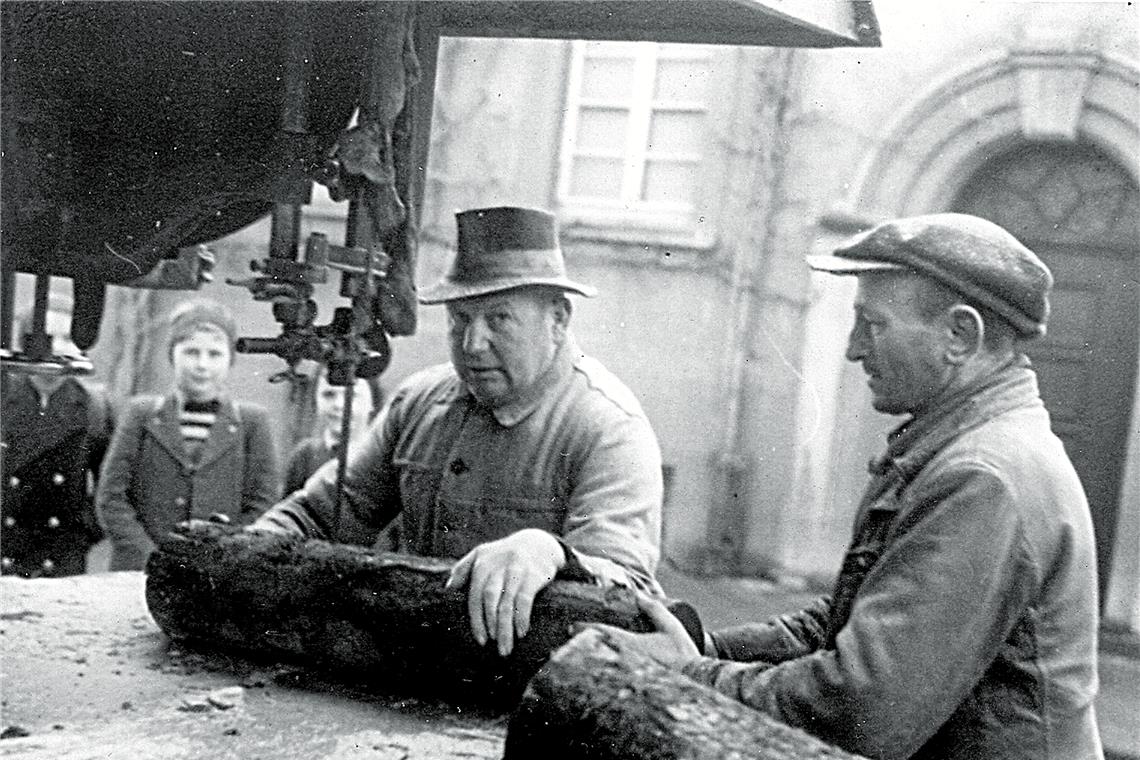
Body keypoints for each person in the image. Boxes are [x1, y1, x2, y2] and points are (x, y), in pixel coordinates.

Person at [590, 214, 1103, 760]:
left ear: (960, 335)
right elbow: (848, 616)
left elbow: (864, 707)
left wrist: (692, 673)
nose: (854, 350)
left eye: (872, 324)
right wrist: (709, 648)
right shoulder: (958, 447)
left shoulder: (980, 478)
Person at [252, 205, 664, 657]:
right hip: (410, 669)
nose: (473, 345)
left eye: (499, 319)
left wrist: (549, 552)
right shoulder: (420, 403)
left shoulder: (608, 428)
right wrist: (247, 555)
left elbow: (627, 595)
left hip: (532, 692)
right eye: (460, 320)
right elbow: (316, 515)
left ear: (559, 318)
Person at [96, 298, 280, 571]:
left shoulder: (252, 423)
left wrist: (223, 557)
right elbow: (111, 497)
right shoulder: (141, 414)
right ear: (172, 354)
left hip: (217, 574)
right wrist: (151, 558)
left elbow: (263, 504)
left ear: (231, 359)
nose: (202, 365)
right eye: (191, 352)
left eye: (214, 354)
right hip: (140, 570)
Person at [1, 301, 115, 577]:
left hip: (61, 552)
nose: (59, 348)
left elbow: (109, 487)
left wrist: (82, 533)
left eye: (68, 338)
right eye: (49, 337)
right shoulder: (4, 397)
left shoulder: (94, 408)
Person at [283, 369, 382, 495]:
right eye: (328, 394)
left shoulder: (382, 457)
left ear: (371, 402)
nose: (339, 404)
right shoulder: (305, 456)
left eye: (351, 395)